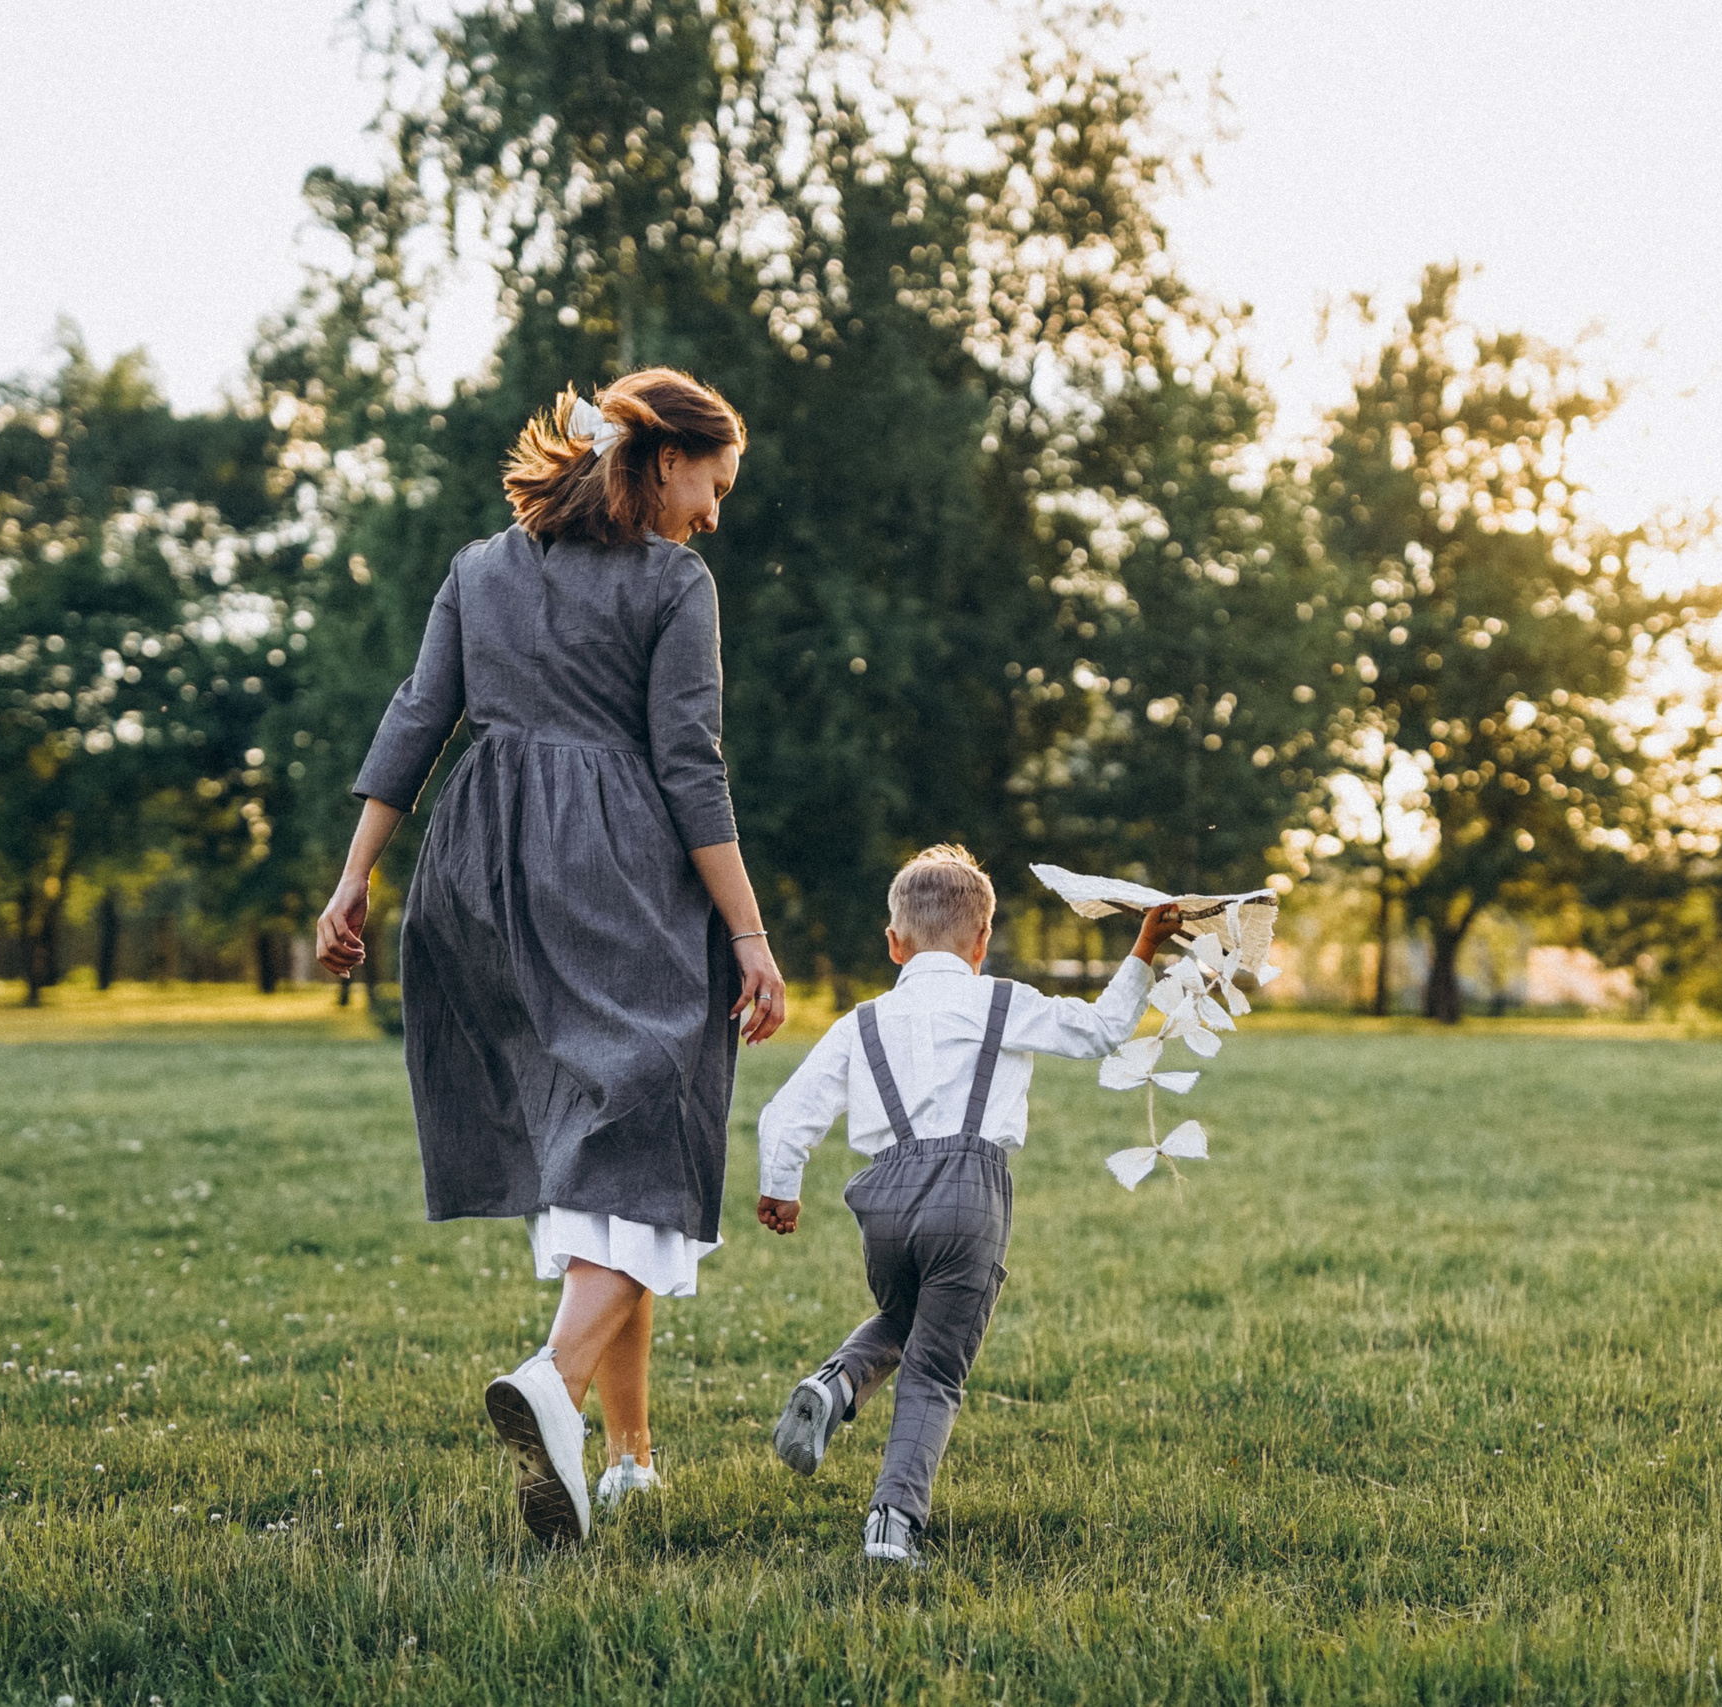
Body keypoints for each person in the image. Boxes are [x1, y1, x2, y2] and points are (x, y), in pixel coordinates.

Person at [313, 370, 788, 1547]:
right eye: (713, 485)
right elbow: (689, 764)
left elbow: (418, 715)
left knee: (598, 1155)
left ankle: (623, 1457)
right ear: (664, 460)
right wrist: (748, 934)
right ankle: (553, 1383)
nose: (714, 515)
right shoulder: (674, 582)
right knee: (658, 1131)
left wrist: (352, 875)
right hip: (610, 866)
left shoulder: (479, 568)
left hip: (476, 870)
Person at [753, 845, 1178, 1567]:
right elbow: (1104, 1030)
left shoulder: (862, 1022)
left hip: (881, 1200)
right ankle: (893, 1522)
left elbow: (785, 1113)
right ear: (982, 941)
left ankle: (839, 1382)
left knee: (906, 1315)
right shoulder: (1003, 1000)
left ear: (894, 942)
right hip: (967, 1195)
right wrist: (1142, 947)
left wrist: (781, 1187)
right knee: (936, 1365)